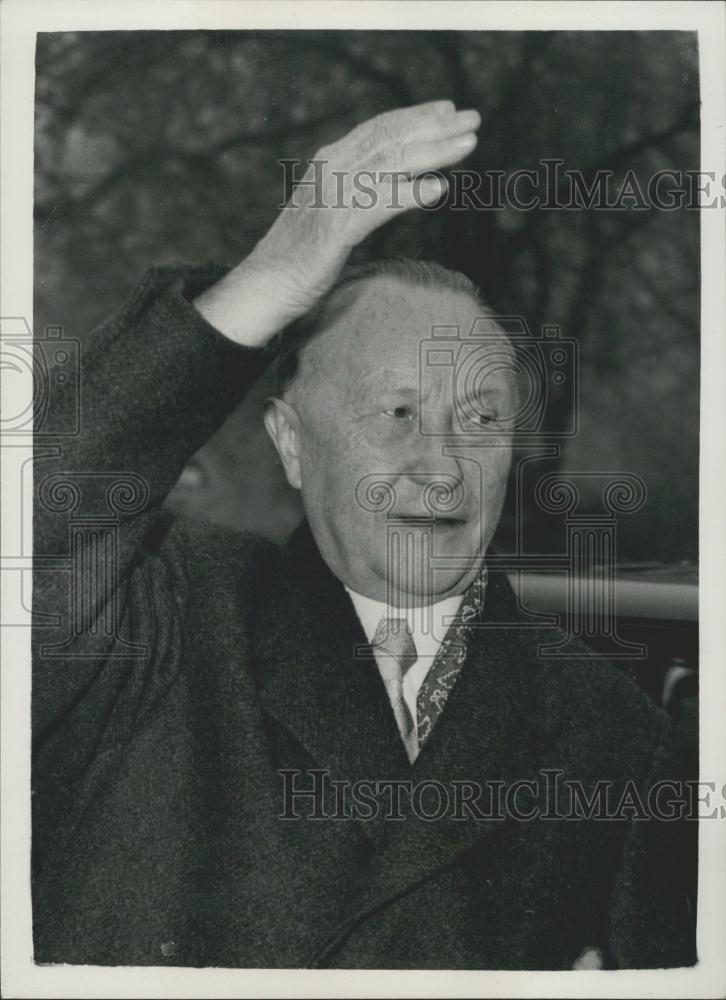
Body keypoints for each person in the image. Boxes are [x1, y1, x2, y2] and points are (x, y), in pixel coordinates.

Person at [32, 101, 696, 969]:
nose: (443, 465)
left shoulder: (616, 739)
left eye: (482, 418)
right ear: (291, 443)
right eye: (396, 413)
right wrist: (268, 277)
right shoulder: (159, 623)